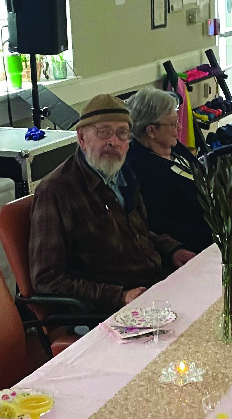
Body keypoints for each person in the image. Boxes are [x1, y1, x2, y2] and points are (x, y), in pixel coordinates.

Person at [29, 93, 194, 312]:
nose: (113, 141)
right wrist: (119, 297)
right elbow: (47, 279)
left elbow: (139, 234)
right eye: (103, 132)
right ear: (81, 138)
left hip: (152, 287)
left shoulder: (123, 174)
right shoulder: (57, 191)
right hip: (108, 310)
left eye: (121, 133)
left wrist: (173, 249)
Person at [124, 86, 211, 253]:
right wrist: (216, 232)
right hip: (196, 244)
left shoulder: (174, 147)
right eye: (173, 123)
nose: (179, 128)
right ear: (151, 131)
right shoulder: (142, 168)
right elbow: (159, 225)